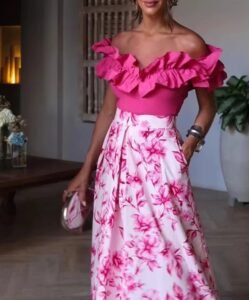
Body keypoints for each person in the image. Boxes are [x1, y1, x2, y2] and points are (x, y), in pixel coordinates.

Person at [64, 0, 226, 299]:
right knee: (117, 242)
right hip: (116, 158)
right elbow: (107, 113)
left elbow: (208, 107)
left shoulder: (190, 44)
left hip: (160, 156)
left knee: (171, 240)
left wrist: (188, 145)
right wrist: (86, 170)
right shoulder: (121, 42)